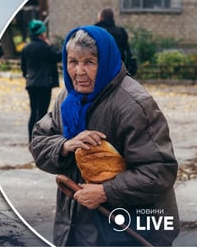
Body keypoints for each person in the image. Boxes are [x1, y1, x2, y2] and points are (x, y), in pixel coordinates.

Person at [29, 25, 180, 246]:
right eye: (73, 62)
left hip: (129, 232)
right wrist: (65, 145)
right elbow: (39, 141)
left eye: (89, 62)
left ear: (106, 61)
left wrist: (105, 191)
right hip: (75, 227)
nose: (79, 72)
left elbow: (159, 171)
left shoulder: (133, 105)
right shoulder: (67, 99)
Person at [21, 19, 61, 143]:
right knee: (42, 113)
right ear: (41, 33)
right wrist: (49, 45)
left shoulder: (26, 48)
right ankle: (40, 140)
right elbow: (58, 56)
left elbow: (23, 67)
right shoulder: (46, 48)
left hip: (32, 84)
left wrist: (28, 77)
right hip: (44, 84)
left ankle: (31, 140)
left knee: (33, 112)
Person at [95, 8, 137, 75]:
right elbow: (127, 51)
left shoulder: (95, 31)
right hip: (117, 69)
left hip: (99, 69)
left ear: (101, 17)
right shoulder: (120, 31)